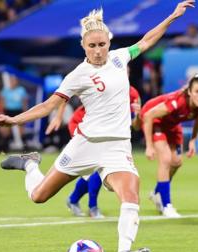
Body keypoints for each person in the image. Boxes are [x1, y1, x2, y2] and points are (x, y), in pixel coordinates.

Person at [0, 1, 195, 252]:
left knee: (131, 192)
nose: (98, 50)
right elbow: (48, 106)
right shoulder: (78, 75)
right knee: (39, 196)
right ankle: (30, 163)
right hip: (85, 145)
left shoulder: (119, 58)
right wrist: (13, 120)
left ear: (108, 42)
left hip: (117, 148)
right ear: (83, 46)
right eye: (92, 46)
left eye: (102, 44)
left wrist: (172, 17)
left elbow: (146, 41)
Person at [59, 86, 141, 219]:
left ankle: (73, 199)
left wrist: (138, 115)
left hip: (110, 133)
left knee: (93, 171)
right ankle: (92, 207)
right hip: (82, 124)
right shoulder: (105, 84)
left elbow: (136, 125)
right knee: (98, 168)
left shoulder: (132, 93)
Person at [141, 75, 198, 218]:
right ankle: (166, 205)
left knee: (176, 162)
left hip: (172, 125)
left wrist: (193, 140)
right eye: (197, 92)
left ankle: (157, 193)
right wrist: (149, 145)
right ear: (189, 92)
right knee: (166, 159)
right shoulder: (176, 102)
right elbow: (149, 116)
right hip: (155, 120)